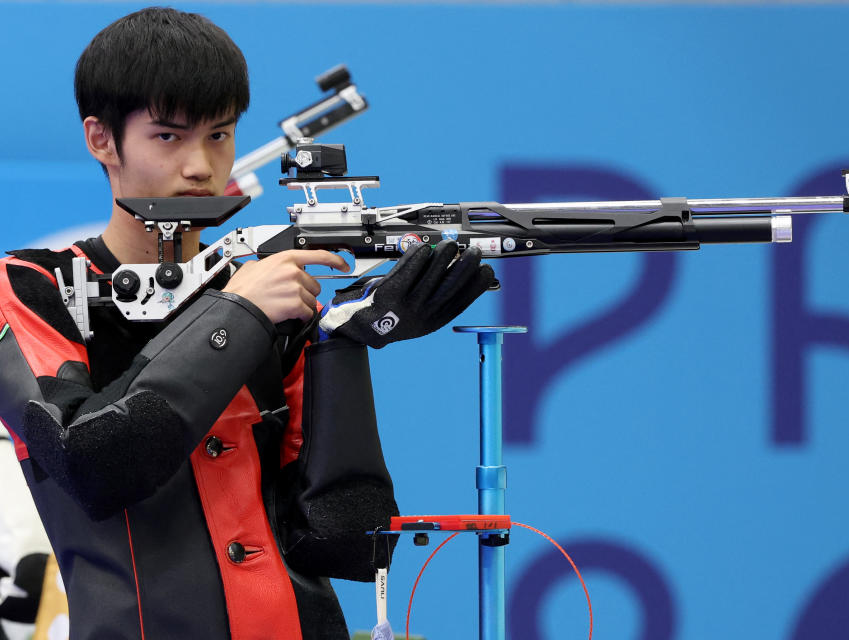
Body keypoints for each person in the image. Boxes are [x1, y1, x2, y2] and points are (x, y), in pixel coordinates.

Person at [0, 7, 494, 640]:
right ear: (101, 139)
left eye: (220, 135)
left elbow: (344, 541)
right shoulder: (29, 287)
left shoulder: (271, 289)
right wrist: (240, 313)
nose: (202, 166)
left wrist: (342, 343)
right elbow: (93, 467)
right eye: (169, 137)